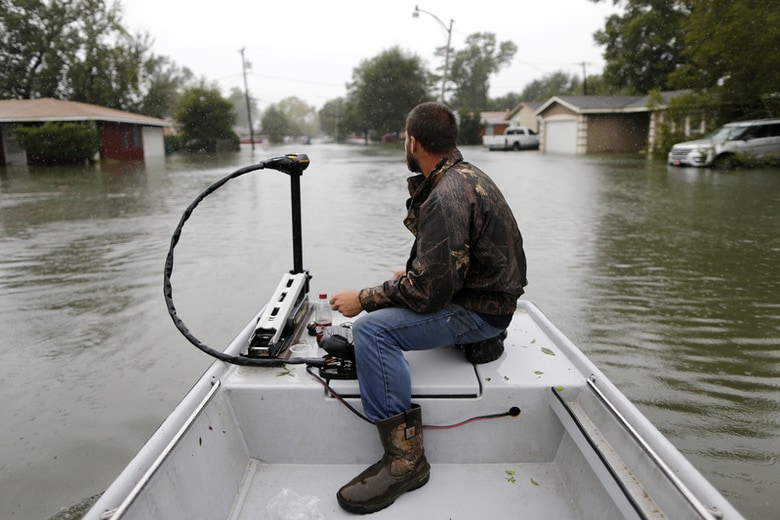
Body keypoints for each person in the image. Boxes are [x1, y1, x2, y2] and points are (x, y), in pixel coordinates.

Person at [329, 101, 528, 514]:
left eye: (406, 137)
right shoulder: (469, 176)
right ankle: (486, 339)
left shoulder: (445, 195)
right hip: (493, 299)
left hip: (479, 309)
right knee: (402, 286)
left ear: (414, 141)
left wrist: (364, 298)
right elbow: (454, 262)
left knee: (371, 331)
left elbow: (430, 294)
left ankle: (406, 462)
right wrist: (412, 274)